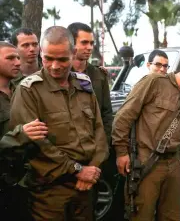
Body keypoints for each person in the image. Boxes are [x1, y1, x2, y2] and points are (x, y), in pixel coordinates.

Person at [9, 26, 109, 220]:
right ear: (41, 54)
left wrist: (93, 168)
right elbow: (38, 144)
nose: (55, 66)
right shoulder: (29, 90)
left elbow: (98, 128)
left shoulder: (84, 85)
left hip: (86, 186)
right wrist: (78, 171)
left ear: (73, 54)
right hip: (50, 190)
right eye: (48, 59)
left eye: (62, 59)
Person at [112, 55, 180, 221]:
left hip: (173, 165)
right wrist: (121, 152)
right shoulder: (154, 82)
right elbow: (123, 117)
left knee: (171, 217)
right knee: (141, 215)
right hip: (146, 162)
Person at [0, 41, 48, 220]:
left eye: (18, 58)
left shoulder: (21, 90)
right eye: (10, 58)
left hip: (26, 181)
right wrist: (21, 136)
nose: (18, 63)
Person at [67, 22, 113, 145]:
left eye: (91, 43)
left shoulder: (99, 75)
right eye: (84, 43)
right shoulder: (61, 75)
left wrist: (104, 143)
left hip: (97, 144)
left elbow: (107, 114)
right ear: (70, 43)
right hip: (70, 146)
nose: (90, 47)